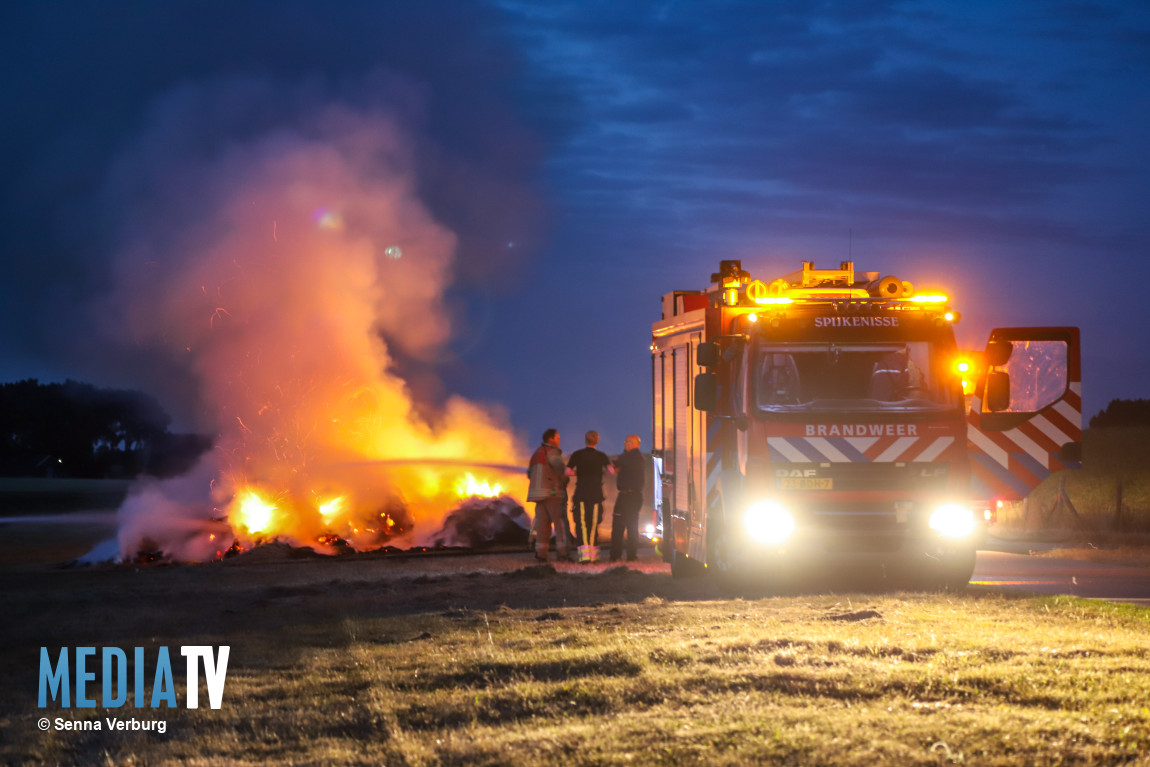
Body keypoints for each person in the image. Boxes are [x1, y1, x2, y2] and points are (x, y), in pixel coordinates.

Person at [565, 430, 614, 556]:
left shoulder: (577, 455)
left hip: (581, 494)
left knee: (581, 524)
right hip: (596, 495)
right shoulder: (601, 456)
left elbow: (567, 472)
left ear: (585, 440)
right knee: (593, 524)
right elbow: (611, 471)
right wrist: (601, 474)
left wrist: (578, 473)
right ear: (597, 441)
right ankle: (593, 555)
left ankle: (584, 556)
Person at [526, 428, 569, 562]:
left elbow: (529, 473)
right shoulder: (552, 452)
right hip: (552, 492)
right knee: (560, 525)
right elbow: (559, 468)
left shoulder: (536, 453)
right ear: (551, 439)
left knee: (542, 526)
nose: (559, 440)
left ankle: (541, 554)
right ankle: (563, 554)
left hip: (538, 495)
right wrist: (565, 480)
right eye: (557, 437)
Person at [609, 434, 645, 563]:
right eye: (625, 442)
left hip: (626, 497)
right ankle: (631, 556)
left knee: (618, 526)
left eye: (627, 442)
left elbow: (614, 465)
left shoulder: (629, 456)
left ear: (634, 443)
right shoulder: (638, 457)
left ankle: (615, 556)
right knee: (632, 527)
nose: (625, 444)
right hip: (635, 496)